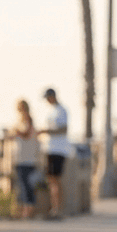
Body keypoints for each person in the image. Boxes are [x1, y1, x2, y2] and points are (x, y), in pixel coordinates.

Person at [40, 88, 70, 219]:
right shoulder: (50, 111)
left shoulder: (61, 110)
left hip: (59, 150)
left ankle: (58, 209)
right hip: (49, 149)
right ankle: (54, 208)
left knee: (56, 181)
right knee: (51, 180)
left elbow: (64, 129)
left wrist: (46, 131)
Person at [9, 100, 39, 219]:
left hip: (27, 159)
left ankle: (28, 211)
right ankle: (23, 210)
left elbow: (27, 134)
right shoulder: (20, 121)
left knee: (27, 186)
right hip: (20, 157)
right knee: (22, 186)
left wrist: (16, 132)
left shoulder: (28, 120)